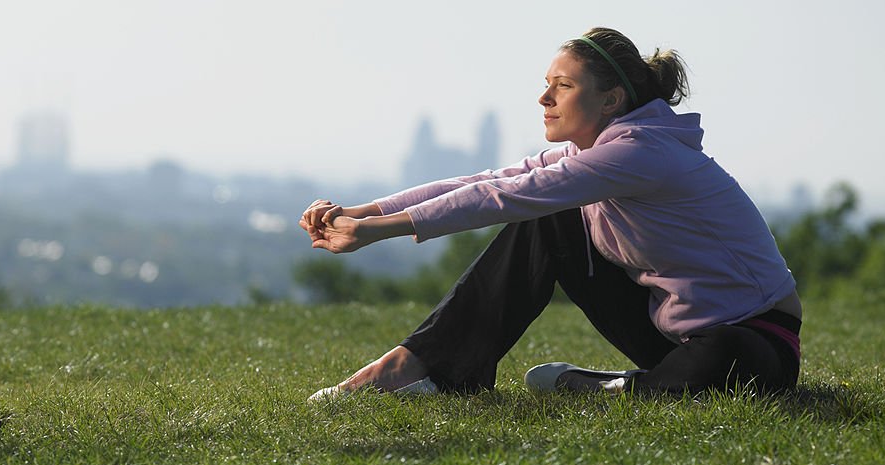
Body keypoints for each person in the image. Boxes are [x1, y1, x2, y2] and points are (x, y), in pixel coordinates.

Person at [300, 27, 802, 401]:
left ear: (611, 98)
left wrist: (375, 232)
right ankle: (429, 367)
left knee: (724, 363)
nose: (544, 98)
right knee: (550, 217)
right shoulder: (596, 153)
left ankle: (601, 386)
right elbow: (489, 182)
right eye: (546, 84)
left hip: (755, 341)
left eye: (562, 85)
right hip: (672, 335)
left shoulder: (642, 152)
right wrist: (364, 212)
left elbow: (505, 197)